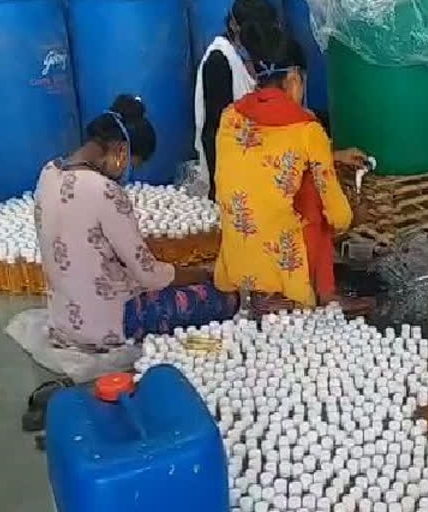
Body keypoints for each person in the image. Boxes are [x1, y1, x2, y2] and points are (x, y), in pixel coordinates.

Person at [35, 95, 239, 353]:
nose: (127, 174)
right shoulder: (105, 191)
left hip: (62, 318)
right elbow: (149, 275)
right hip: (106, 326)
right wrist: (203, 274)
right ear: (121, 152)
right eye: (133, 165)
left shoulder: (48, 173)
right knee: (220, 298)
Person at [213, 28, 370, 312]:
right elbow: (339, 217)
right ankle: (321, 292)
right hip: (282, 264)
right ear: (294, 78)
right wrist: (356, 215)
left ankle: (269, 292)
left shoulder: (230, 116)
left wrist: (332, 156)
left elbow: (261, 163)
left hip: (235, 259)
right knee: (315, 196)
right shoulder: (308, 130)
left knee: (292, 186)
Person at [195, 0, 278, 201]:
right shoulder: (220, 61)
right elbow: (213, 130)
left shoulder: (253, 53)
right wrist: (219, 188)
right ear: (235, 26)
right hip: (228, 171)